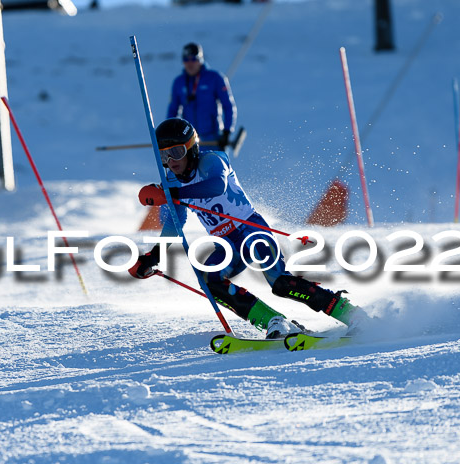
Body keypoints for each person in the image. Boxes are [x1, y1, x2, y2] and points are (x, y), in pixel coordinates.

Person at [128, 117, 357, 338]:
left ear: (191, 148)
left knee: (281, 283)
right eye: (163, 156)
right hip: (226, 243)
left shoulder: (212, 161)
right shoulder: (173, 181)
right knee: (209, 280)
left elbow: (217, 186)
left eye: (176, 152)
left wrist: (171, 195)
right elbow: (174, 224)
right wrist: (153, 256)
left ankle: (348, 313)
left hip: (250, 230)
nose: (171, 161)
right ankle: (275, 322)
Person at [167, 42, 236, 151]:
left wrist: (227, 132)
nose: (190, 63)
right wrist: (170, 134)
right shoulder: (178, 82)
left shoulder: (215, 78)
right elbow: (172, 111)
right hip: (190, 141)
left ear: (200, 59)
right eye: (186, 60)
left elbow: (228, 106)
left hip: (214, 140)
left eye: (193, 59)